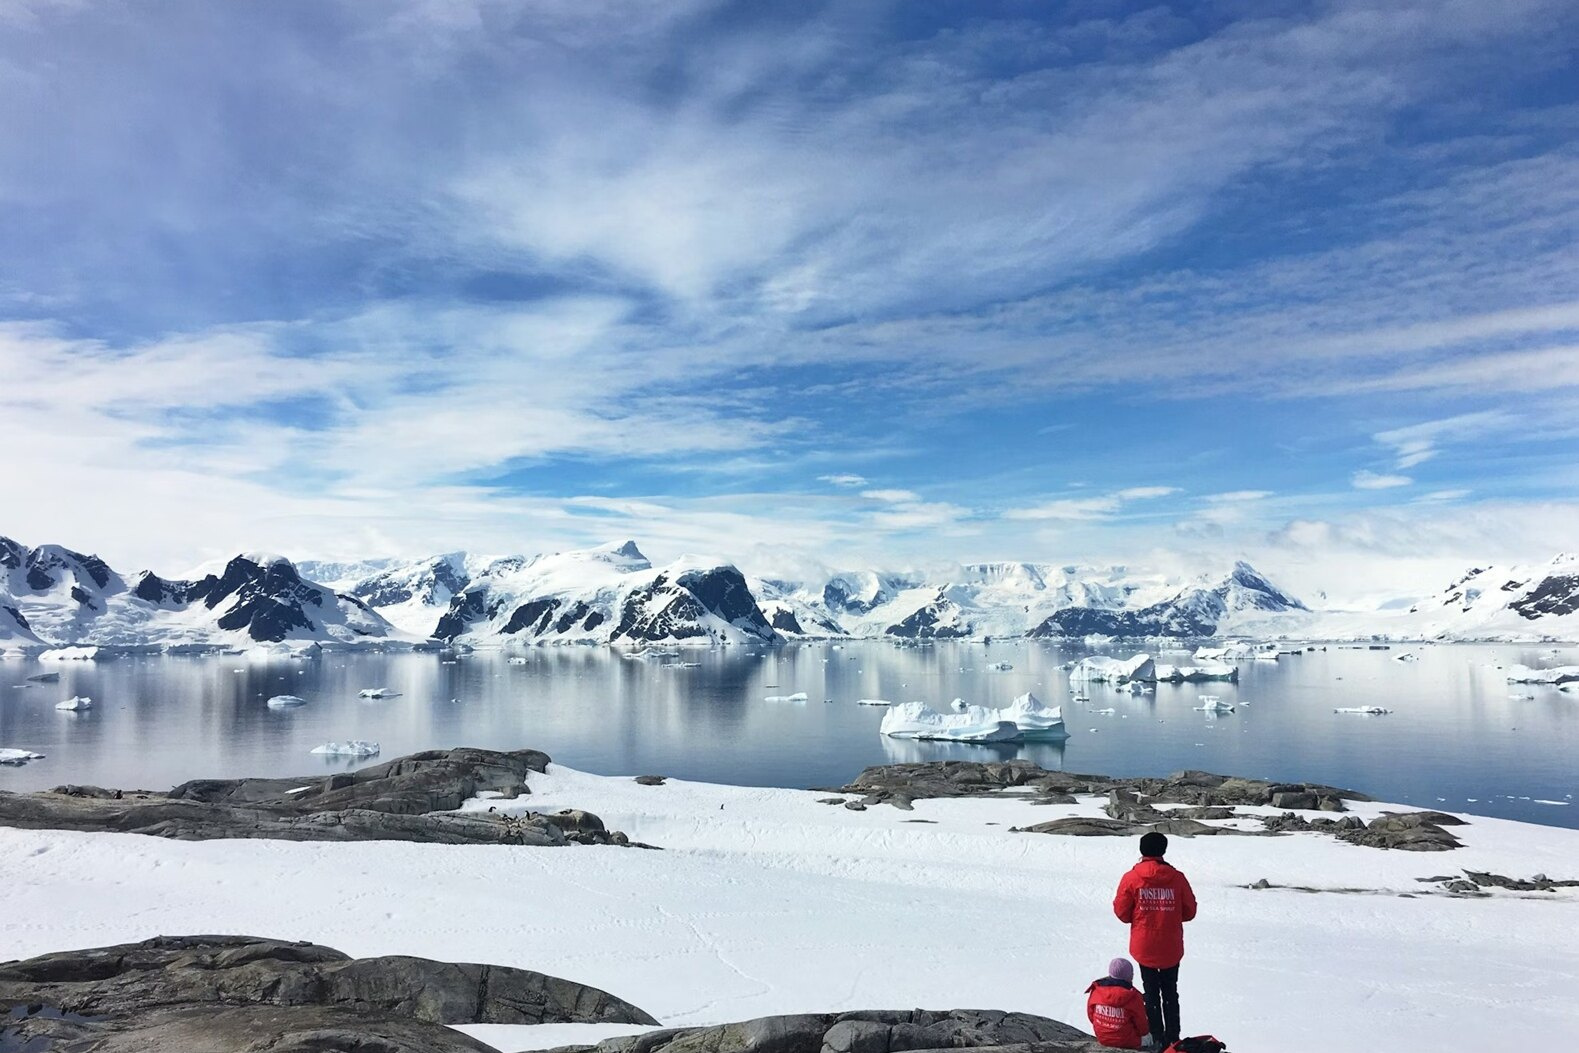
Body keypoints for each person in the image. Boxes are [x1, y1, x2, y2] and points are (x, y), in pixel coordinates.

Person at [1113, 831, 1197, 1048]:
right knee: (1170, 991)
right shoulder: (1177, 878)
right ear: (1163, 850)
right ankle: (1173, 1037)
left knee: (1150, 992)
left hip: (1144, 946)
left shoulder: (1131, 878)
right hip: (1170, 946)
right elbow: (1190, 911)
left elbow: (1122, 913)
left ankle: (1157, 1037)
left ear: (1142, 850)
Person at [1085, 956, 1150, 1049]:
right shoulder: (1134, 996)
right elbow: (1143, 1028)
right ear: (1130, 977)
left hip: (1103, 1038)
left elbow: (1091, 1016)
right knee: (1150, 1036)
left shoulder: (1097, 990)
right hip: (1128, 1041)